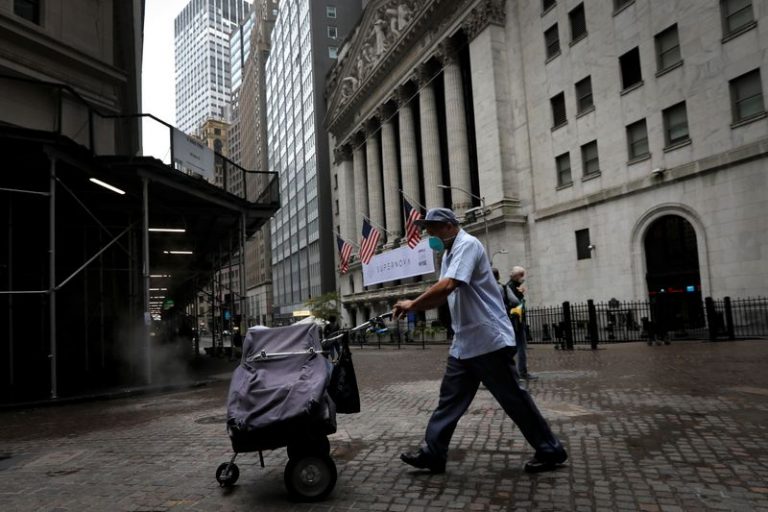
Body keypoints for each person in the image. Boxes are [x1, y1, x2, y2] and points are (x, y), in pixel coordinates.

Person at [392, 207, 567, 474]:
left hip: (488, 341)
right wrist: (414, 306)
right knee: (449, 399)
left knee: (513, 399)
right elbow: (442, 296)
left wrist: (412, 303)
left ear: (450, 226)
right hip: (464, 343)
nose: (429, 234)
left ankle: (550, 449)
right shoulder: (449, 253)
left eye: (433, 228)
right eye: (427, 228)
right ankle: (433, 453)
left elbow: (449, 285)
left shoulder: (468, 245)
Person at [508, 266, 536, 380]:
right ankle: (521, 372)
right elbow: (515, 302)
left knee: (517, 347)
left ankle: (519, 371)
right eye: (521, 275)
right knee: (519, 347)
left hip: (518, 320)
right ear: (516, 275)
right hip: (516, 320)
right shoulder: (511, 287)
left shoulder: (513, 286)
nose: (523, 278)